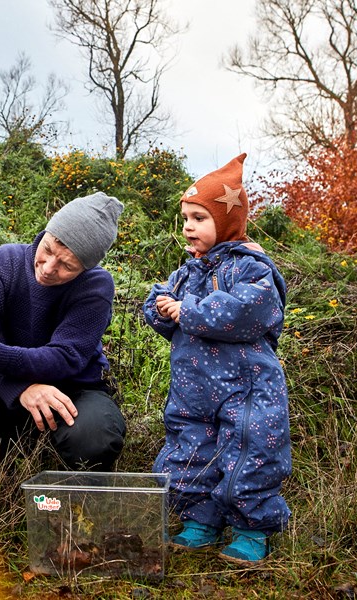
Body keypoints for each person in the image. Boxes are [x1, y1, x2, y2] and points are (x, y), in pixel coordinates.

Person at [142, 153, 292, 563]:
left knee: (250, 449)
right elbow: (159, 301)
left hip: (246, 386)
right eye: (186, 217)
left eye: (199, 217)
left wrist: (187, 310)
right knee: (190, 448)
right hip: (193, 386)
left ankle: (250, 528)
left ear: (226, 222)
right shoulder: (187, 271)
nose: (188, 227)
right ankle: (199, 518)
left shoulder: (251, 268)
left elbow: (246, 312)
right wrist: (160, 308)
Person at [0, 192, 127, 486]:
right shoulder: (7, 260)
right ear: (46, 232)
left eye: (67, 266)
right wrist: (21, 389)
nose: (47, 268)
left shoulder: (96, 285)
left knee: (95, 437)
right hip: (5, 382)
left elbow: (65, 357)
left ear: (86, 267)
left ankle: (79, 506)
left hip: (72, 390)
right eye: (47, 249)